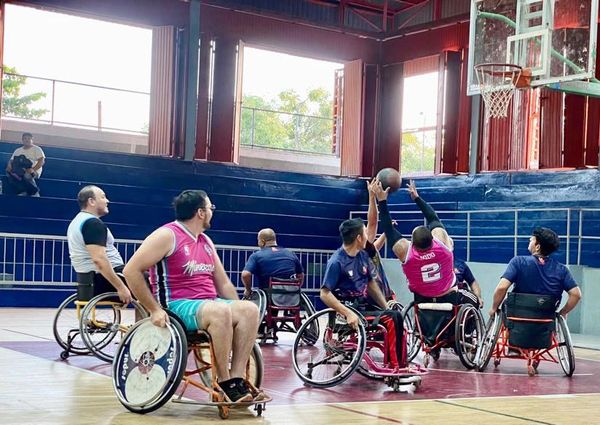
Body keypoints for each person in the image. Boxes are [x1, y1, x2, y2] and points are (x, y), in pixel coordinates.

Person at [123, 190, 264, 404]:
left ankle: (236, 379)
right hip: (177, 304)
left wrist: (238, 307)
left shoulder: (205, 240)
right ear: (200, 212)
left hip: (208, 304)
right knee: (220, 311)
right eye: (210, 208)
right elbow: (130, 270)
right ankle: (223, 382)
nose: (212, 212)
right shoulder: (167, 235)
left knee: (249, 310)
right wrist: (153, 309)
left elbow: (223, 282)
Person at [372, 179, 479, 308]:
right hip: (448, 294)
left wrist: (382, 201)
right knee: (475, 300)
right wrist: (417, 198)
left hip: (421, 297)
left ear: (412, 244)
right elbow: (433, 217)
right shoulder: (443, 245)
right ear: (433, 239)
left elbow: (388, 229)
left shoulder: (405, 253)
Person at [320, 218, 405, 369]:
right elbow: (325, 294)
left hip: (363, 305)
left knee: (395, 314)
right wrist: (347, 313)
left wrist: (386, 306)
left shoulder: (362, 255)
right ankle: (395, 366)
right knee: (393, 319)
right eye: (365, 232)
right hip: (350, 309)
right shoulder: (336, 262)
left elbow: (371, 283)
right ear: (359, 238)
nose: (368, 235)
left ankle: (400, 363)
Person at [489, 227, 582, 318]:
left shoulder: (518, 261)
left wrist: (494, 308)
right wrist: (563, 312)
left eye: (532, 240)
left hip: (516, 316)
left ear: (537, 246)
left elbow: (502, 288)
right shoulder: (562, 269)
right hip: (546, 320)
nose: (529, 240)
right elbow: (576, 294)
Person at [66, 185, 132, 304]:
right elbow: (99, 260)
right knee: (150, 280)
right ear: (91, 201)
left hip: (89, 280)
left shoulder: (77, 221)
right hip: (103, 280)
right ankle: (144, 322)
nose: (107, 201)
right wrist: (121, 287)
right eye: (103, 197)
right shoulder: (93, 224)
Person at [241, 228, 304, 297]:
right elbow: (300, 275)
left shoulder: (257, 255)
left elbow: (245, 274)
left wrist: (248, 289)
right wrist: (296, 289)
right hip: (291, 297)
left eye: (258, 241)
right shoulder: (291, 254)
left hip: (268, 296)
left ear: (262, 241)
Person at [365, 179, 394, 300]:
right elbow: (372, 223)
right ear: (358, 237)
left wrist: (386, 233)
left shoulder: (360, 250)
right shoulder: (362, 249)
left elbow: (374, 248)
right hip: (374, 295)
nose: (365, 230)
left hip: (375, 293)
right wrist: (372, 197)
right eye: (363, 230)